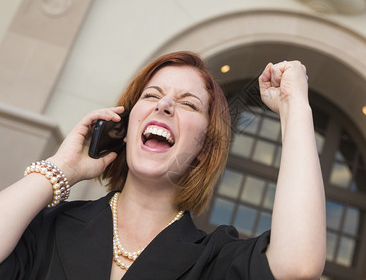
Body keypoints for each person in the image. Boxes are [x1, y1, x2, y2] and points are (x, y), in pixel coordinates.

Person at [0, 51, 326, 279]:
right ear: (125, 128)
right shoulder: (47, 228)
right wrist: (60, 169)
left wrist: (293, 104)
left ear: (203, 148)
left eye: (188, 103)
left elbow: (298, 266)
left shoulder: (213, 260)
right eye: (152, 96)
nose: (166, 105)